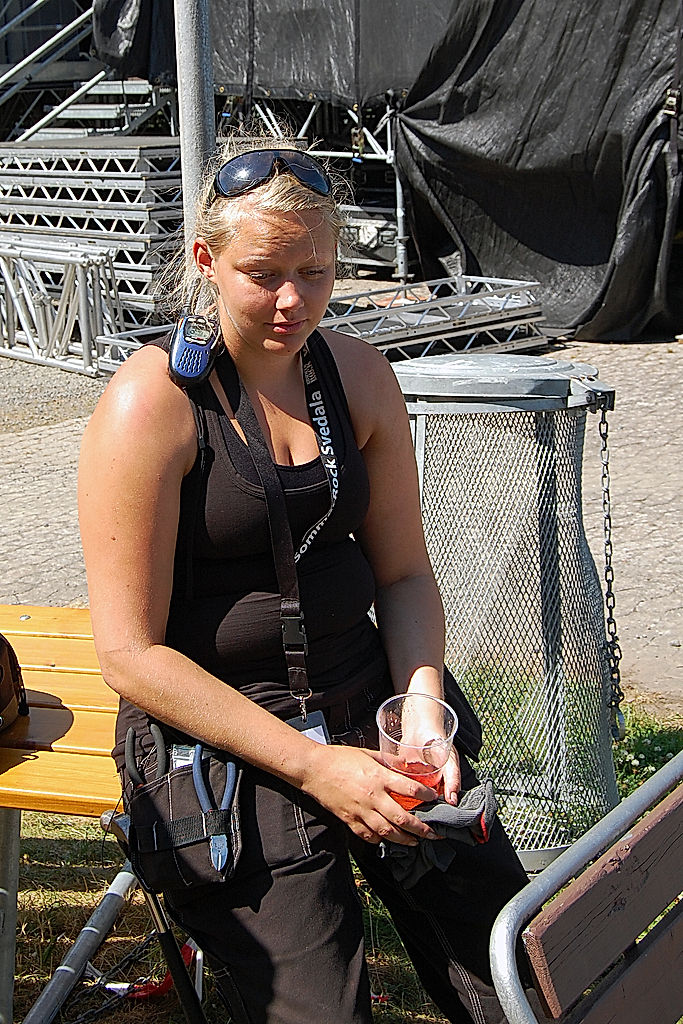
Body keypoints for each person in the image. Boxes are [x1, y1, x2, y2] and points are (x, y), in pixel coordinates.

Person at [78, 140, 529, 1024]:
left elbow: (401, 573)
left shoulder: (357, 374)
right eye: (262, 273)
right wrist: (317, 768)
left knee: (522, 961)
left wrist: (424, 706)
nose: (292, 301)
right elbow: (130, 656)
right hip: (223, 735)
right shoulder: (150, 406)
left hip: (368, 697)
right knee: (317, 1009)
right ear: (205, 260)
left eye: (315, 273)